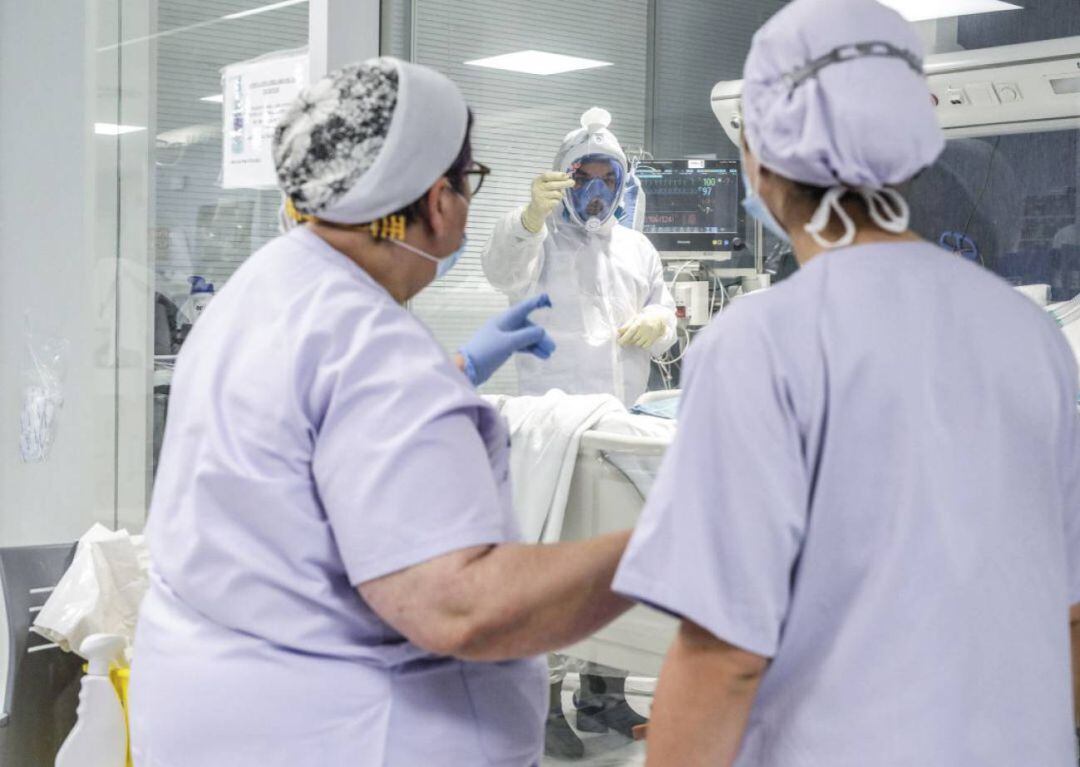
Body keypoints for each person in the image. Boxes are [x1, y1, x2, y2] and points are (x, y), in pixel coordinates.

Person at [129, 58, 636, 767]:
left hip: (214, 708)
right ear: (438, 201)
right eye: (468, 179)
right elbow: (458, 607)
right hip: (348, 733)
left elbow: (308, 437)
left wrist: (453, 375)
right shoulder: (373, 349)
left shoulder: (262, 286)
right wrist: (661, 542)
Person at [613, 1, 1080, 765]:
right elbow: (1068, 614)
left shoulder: (760, 343)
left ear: (760, 158)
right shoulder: (1033, 335)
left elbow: (724, 656)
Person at [482, 107, 677, 407]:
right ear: (562, 179)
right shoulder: (538, 239)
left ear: (620, 184)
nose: (595, 191)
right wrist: (529, 220)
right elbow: (502, 274)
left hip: (622, 416)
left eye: (607, 179)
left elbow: (662, 311)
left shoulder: (637, 247)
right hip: (555, 420)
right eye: (582, 178)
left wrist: (658, 322)